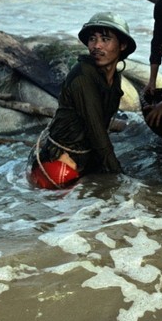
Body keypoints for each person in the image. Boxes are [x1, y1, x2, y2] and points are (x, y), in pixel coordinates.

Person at [28, 12, 136, 189]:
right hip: (62, 159)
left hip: (87, 155)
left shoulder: (113, 77)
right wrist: (119, 179)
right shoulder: (82, 77)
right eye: (92, 39)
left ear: (122, 45)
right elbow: (96, 130)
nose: (96, 46)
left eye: (105, 39)